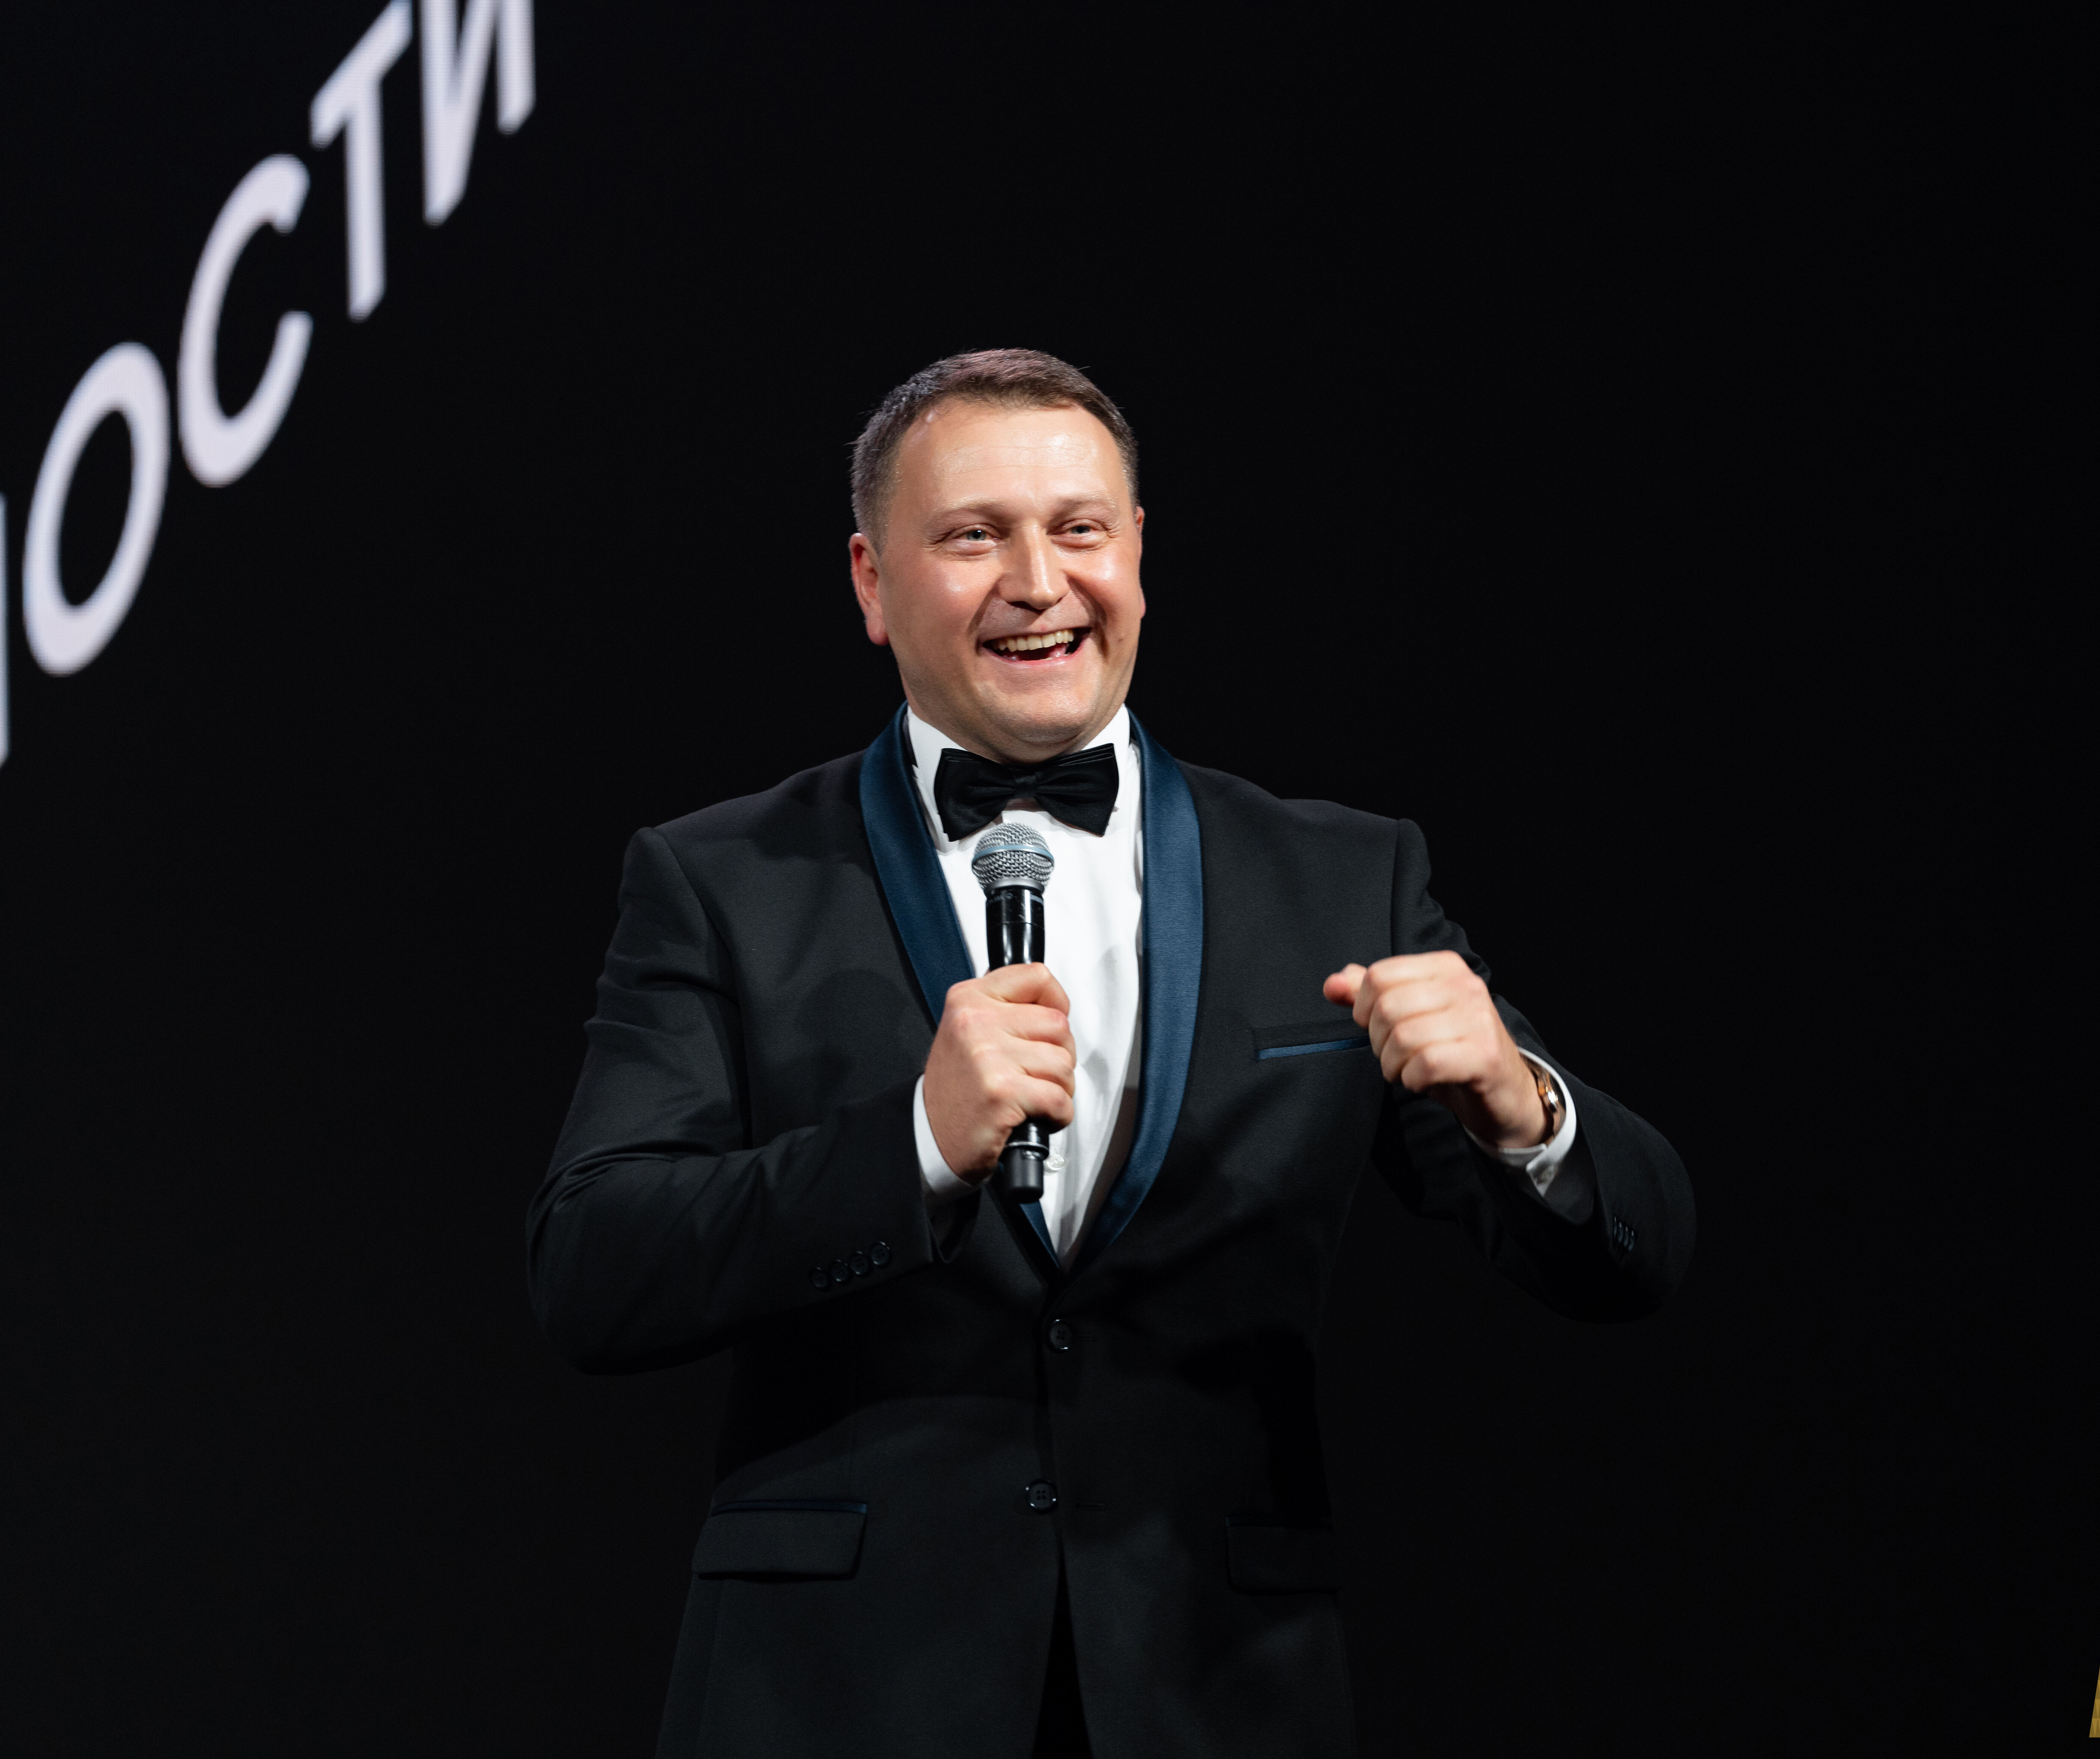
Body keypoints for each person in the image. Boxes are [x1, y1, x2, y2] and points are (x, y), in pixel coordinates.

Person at [527, 349, 1694, 1758]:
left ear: (1136, 553)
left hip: (1217, 1691)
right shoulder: (724, 880)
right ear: (871, 584)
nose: (1039, 581)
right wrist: (910, 1148)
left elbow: (1638, 1256)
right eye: (974, 536)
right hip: (842, 1697)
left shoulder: (1345, 880)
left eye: (1078, 528)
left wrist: (1525, 1111)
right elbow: (594, 1269)